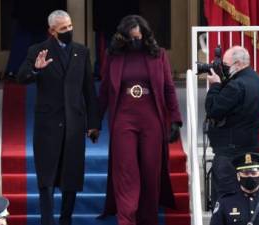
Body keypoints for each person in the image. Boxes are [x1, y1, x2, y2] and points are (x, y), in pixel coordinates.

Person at [15, 10, 101, 225]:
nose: (69, 31)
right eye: (63, 29)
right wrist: (35, 69)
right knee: (47, 179)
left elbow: (89, 90)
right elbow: (21, 78)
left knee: (71, 178)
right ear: (52, 31)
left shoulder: (81, 52)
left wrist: (93, 123)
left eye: (70, 26)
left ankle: (65, 220)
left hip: (74, 124)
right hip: (47, 126)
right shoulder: (37, 50)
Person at [98, 15, 182, 225]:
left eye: (139, 36)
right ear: (123, 37)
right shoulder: (113, 56)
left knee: (150, 171)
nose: (136, 40)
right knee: (126, 171)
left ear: (145, 34)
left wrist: (175, 120)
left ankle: (148, 219)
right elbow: (105, 90)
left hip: (151, 121)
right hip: (123, 121)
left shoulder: (158, 55)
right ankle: (126, 219)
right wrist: (94, 122)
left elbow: (169, 88)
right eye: (132, 37)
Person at [205, 46, 259, 207]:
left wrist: (215, 85)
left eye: (226, 66)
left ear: (238, 64)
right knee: (246, 202)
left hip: (230, 154)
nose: (224, 69)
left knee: (225, 203)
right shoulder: (257, 80)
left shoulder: (236, 85)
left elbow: (213, 110)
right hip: (250, 151)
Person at [210, 153, 259, 225]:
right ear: (238, 176)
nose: (250, 176)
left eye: (254, 173)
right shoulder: (225, 203)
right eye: (246, 173)